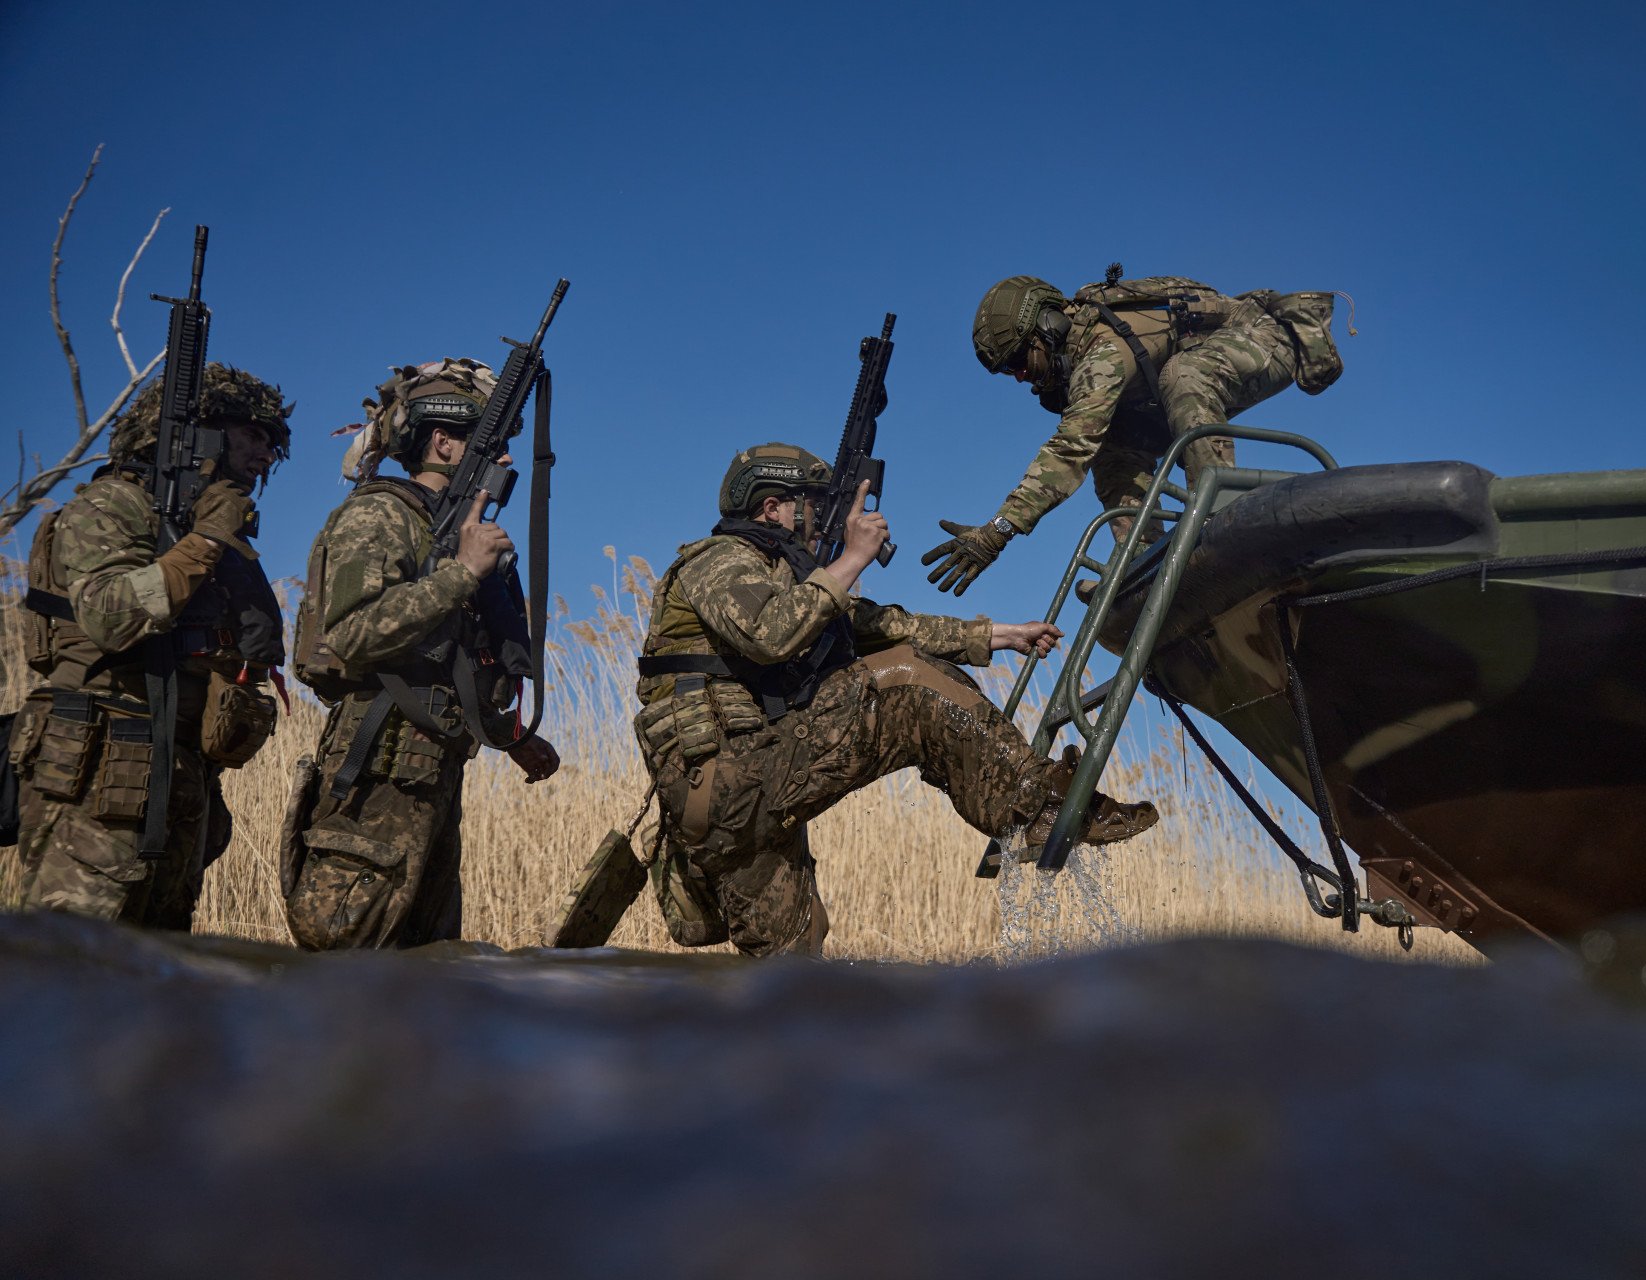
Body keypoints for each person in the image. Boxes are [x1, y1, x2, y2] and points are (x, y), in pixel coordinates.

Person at [634, 442, 1160, 958]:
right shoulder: (719, 560)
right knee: (908, 684)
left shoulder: (787, 579)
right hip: (728, 783)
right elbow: (770, 632)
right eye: (812, 504)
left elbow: (884, 626)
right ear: (772, 508)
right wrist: (855, 556)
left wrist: (998, 634)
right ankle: (1036, 810)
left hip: (751, 796)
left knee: (792, 970)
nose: (823, 517)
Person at [280, 358, 559, 950]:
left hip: (431, 762)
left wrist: (507, 735)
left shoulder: (452, 528)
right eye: (492, 446)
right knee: (346, 951)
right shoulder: (378, 514)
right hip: (379, 757)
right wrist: (461, 573)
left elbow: (450, 659)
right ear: (442, 442)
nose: (507, 460)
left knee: (428, 964)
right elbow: (355, 633)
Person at [6, 365, 292, 927]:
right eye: (254, 435)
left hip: (178, 773)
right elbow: (111, 618)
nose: (265, 455)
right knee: (73, 966)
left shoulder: (203, 528)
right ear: (203, 431)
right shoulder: (116, 503)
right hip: (98, 766)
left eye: (271, 443)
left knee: (157, 979)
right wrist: (207, 539)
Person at [924, 272, 1347, 595]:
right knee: (1113, 455)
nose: (1020, 378)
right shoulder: (1079, 358)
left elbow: (1072, 446)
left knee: (1183, 374)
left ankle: (1219, 515)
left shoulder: (1103, 352)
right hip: (1172, 396)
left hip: (1266, 341)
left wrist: (998, 530)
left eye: (1021, 362)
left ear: (1048, 328)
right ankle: (1145, 559)